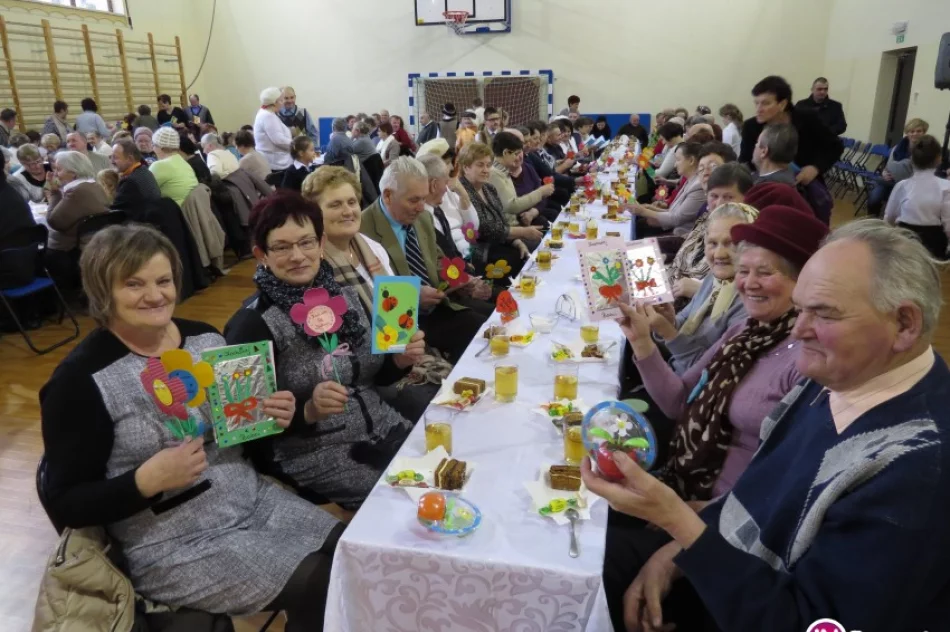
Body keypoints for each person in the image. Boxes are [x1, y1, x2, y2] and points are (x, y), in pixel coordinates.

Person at [592, 219, 950, 632]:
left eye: (823, 313)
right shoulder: (834, 381)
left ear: (904, 324)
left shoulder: (919, 468)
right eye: (801, 309)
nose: (799, 330)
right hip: (725, 564)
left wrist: (680, 525)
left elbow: (808, 620)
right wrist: (674, 552)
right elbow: (755, 493)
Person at [41, 224, 343, 631]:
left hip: (250, 499)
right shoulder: (80, 381)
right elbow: (64, 502)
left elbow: (246, 433)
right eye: (133, 284)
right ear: (102, 290)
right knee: (318, 581)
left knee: (349, 550)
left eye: (163, 280)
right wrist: (144, 481)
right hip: (169, 541)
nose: (154, 295)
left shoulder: (205, 339)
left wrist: (280, 417)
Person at [603, 205, 829, 632]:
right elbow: (676, 403)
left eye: (766, 272)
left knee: (602, 556)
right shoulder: (744, 332)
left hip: (722, 524)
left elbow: (786, 487)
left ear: (805, 281)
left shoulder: (807, 361)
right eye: (744, 271)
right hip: (681, 488)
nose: (748, 282)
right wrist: (641, 343)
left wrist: (691, 524)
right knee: (588, 508)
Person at [222, 190, 421, 509]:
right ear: (261, 254)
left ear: (321, 243)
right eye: (282, 247)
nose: (298, 255)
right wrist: (308, 410)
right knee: (407, 503)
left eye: (306, 242)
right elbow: (243, 429)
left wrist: (399, 360)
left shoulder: (345, 296)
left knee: (446, 472)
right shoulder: (250, 325)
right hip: (314, 454)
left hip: (383, 426)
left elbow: (373, 377)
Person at [361, 157, 490, 362]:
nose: (421, 207)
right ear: (387, 196)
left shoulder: (423, 218)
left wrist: (462, 282)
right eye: (414, 200)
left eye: (423, 198)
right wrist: (412, 296)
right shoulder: (362, 230)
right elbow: (365, 292)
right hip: (398, 323)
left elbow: (437, 260)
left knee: (491, 323)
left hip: (434, 306)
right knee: (480, 333)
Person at [646, 203, 758, 375]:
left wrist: (668, 333)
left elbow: (711, 373)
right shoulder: (715, 279)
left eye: (731, 244)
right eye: (712, 243)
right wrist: (669, 321)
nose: (719, 254)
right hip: (671, 371)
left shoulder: (750, 304)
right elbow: (683, 321)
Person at [667, 155, 753, 299]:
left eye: (728, 197)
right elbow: (686, 248)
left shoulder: (747, 239)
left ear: (746, 199)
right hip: (668, 284)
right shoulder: (706, 218)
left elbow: (738, 292)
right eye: (714, 196)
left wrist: (701, 290)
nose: (719, 204)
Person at [739, 75, 843, 186]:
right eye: (756, 103)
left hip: (803, 186)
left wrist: (815, 168)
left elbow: (835, 146)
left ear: (782, 104)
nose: (758, 109)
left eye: (765, 103)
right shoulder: (750, 126)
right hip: (764, 185)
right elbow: (745, 162)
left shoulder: (808, 119)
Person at [458, 143, 542, 276]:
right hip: (480, 250)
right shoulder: (462, 192)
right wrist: (522, 232)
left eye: (488, 165)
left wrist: (517, 241)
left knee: (529, 252)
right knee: (517, 259)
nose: (486, 170)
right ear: (466, 167)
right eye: (480, 165)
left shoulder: (489, 188)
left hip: (499, 242)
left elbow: (501, 221)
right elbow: (484, 228)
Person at [44, 150, 109, 285]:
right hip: (98, 244)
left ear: (73, 173)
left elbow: (54, 222)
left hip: (69, 250)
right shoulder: (95, 185)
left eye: (59, 169)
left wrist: (55, 193)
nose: (55, 173)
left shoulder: (76, 192)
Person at [883, 134, 950, 258]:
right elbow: (948, 222)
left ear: (912, 159)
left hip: (905, 238)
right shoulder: (946, 187)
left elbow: (890, 216)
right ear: (939, 159)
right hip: (933, 243)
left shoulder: (902, 186)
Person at [630, 142, 706, 236]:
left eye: (678, 160)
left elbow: (657, 174)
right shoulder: (665, 146)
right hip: (668, 205)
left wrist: (643, 162)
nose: (675, 165)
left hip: (677, 228)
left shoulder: (674, 149)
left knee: (640, 221)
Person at [490, 131, 555, 228]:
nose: (518, 157)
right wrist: (540, 192)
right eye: (516, 153)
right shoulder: (495, 174)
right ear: (505, 153)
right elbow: (512, 206)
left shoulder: (504, 170)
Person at [868, 118, 929, 217]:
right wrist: (884, 173)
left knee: (903, 206)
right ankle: (872, 223)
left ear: (924, 133)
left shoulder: (927, 150)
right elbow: (888, 166)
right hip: (890, 182)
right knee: (874, 198)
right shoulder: (897, 148)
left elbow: (926, 171)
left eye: (919, 131)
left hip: (911, 186)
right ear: (907, 133)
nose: (915, 134)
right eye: (912, 131)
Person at [149, 127, 198, 207]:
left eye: (153, 145)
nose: (152, 149)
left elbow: (142, 191)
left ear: (161, 148)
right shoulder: (184, 163)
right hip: (188, 214)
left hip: (174, 215)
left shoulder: (160, 166)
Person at [110, 138, 161, 215]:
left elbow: (114, 213)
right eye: (111, 157)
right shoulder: (145, 171)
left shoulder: (130, 182)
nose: (112, 161)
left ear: (130, 159)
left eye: (115, 157)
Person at [255, 87, 293, 173]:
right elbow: (278, 140)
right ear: (275, 102)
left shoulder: (267, 114)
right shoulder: (268, 116)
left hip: (276, 160)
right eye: (281, 100)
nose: (283, 103)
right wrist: (296, 145)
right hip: (276, 162)